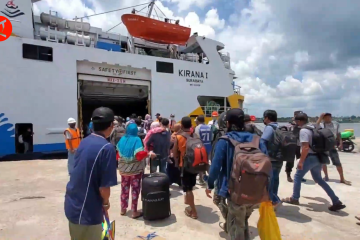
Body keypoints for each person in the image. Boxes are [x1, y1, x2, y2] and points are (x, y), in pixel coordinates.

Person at [206, 108, 268, 239]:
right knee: (243, 220)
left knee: (236, 229)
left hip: (235, 192)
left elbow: (215, 167)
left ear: (227, 123)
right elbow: (268, 167)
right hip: (256, 190)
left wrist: (210, 184)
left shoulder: (225, 141)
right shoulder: (257, 140)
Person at [64, 107, 117, 240]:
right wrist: (105, 203)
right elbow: (104, 187)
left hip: (73, 204)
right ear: (111, 126)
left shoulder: (84, 141)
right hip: (87, 212)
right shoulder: (107, 148)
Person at [282, 112, 346, 211]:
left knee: (297, 176)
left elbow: (305, 147)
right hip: (319, 156)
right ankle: (336, 201)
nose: (295, 123)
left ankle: (295, 198)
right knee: (319, 179)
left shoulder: (303, 131)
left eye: (296, 121)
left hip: (310, 157)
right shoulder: (315, 126)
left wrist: (301, 161)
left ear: (299, 121)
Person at [117, 123, 146, 218]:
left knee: (124, 189)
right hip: (135, 170)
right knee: (135, 190)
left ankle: (123, 209)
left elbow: (118, 154)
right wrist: (147, 154)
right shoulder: (137, 139)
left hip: (124, 170)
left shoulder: (122, 139)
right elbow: (139, 155)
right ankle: (134, 212)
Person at [173, 117, 199, 219]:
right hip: (195, 164)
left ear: (182, 126)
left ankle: (193, 211)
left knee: (188, 189)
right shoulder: (195, 135)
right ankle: (188, 200)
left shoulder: (179, 137)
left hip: (184, 165)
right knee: (190, 185)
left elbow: (175, 153)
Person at [317, 113, 351, 185]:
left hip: (332, 146)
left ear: (331, 117)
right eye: (325, 117)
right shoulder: (322, 125)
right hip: (324, 146)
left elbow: (338, 134)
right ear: (323, 118)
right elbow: (315, 126)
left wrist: (340, 143)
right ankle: (326, 176)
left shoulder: (336, 124)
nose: (327, 119)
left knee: (337, 162)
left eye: (329, 117)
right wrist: (320, 118)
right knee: (324, 162)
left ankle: (342, 178)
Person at [194, 115, 212, 185]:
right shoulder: (209, 127)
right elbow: (212, 137)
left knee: (200, 163)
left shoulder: (198, 128)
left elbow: (197, 138)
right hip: (208, 146)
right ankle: (211, 176)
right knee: (207, 162)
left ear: (198, 120)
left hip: (201, 147)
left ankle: (201, 179)